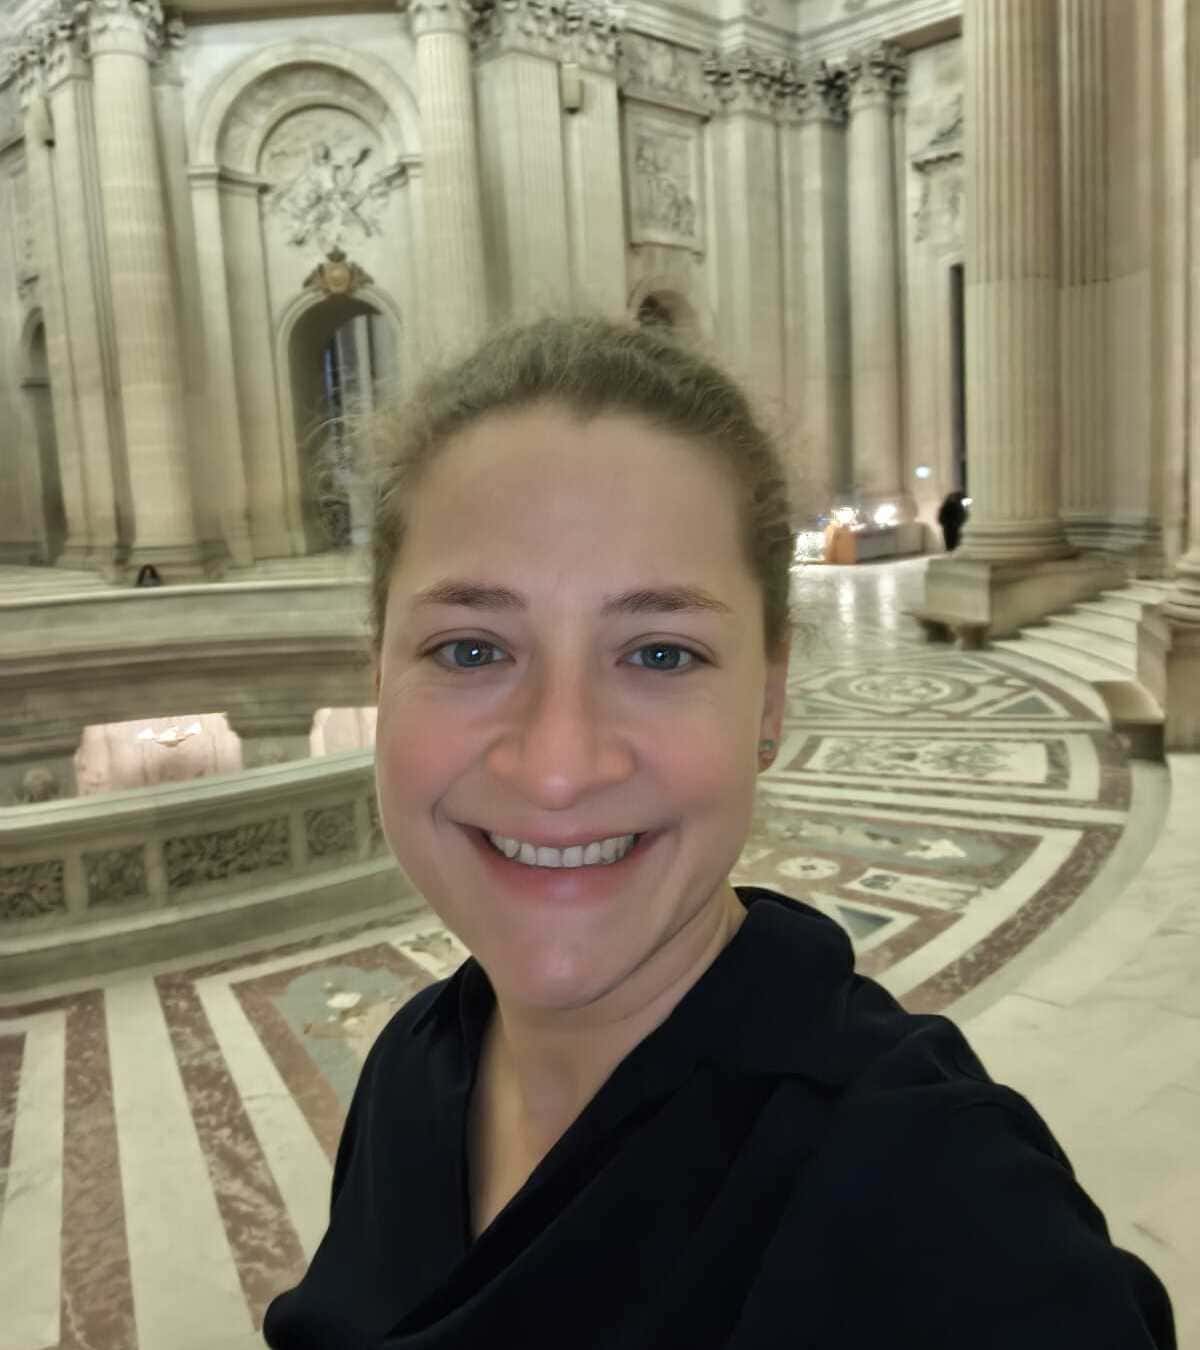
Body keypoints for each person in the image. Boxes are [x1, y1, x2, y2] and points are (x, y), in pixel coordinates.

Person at [263, 316, 1174, 1349]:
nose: (559, 765)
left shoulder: (941, 1203)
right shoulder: (412, 1070)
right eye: (471, 649)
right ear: (376, 673)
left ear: (771, 702)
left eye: (659, 654)